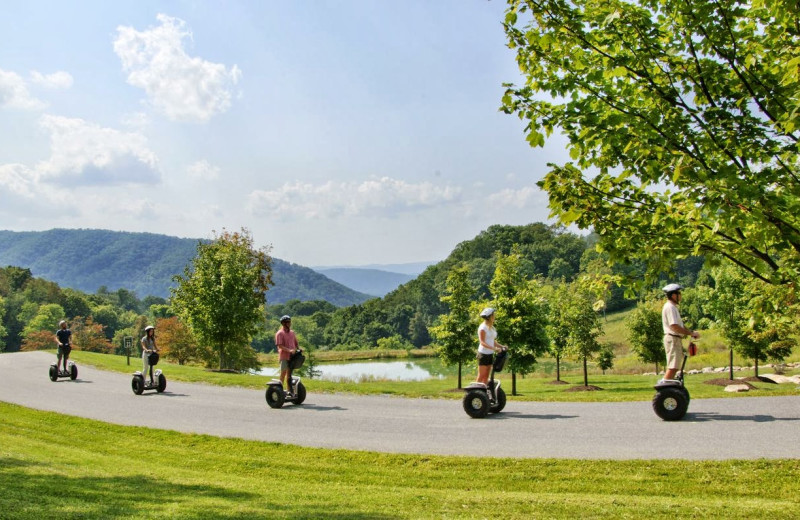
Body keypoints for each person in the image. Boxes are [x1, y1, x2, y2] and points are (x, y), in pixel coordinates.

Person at [662, 283, 699, 381]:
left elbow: (679, 325)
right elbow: (674, 326)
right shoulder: (670, 307)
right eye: (679, 293)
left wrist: (690, 331)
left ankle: (668, 390)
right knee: (673, 367)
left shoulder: (672, 307)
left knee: (675, 366)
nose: (681, 296)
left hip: (675, 339)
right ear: (674, 295)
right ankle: (665, 391)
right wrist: (691, 334)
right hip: (672, 338)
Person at [475, 307, 506, 385]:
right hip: (483, 354)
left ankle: (484, 394)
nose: (494, 316)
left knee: (486, 376)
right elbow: (482, 342)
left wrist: (501, 346)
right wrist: (494, 348)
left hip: (490, 354)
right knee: (481, 376)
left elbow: (492, 341)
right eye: (493, 315)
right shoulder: (483, 328)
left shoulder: (491, 327)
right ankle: (475, 392)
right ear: (489, 317)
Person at [275, 315, 299, 394]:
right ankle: (279, 390)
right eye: (288, 322)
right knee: (283, 373)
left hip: (292, 356)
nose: (289, 323)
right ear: (283, 323)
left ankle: (289, 390)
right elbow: (280, 345)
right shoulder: (280, 333)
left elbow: (295, 342)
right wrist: (289, 350)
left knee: (289, 374)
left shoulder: (292, 332)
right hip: (284, 356)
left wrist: (298, 348)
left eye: (290, 322)